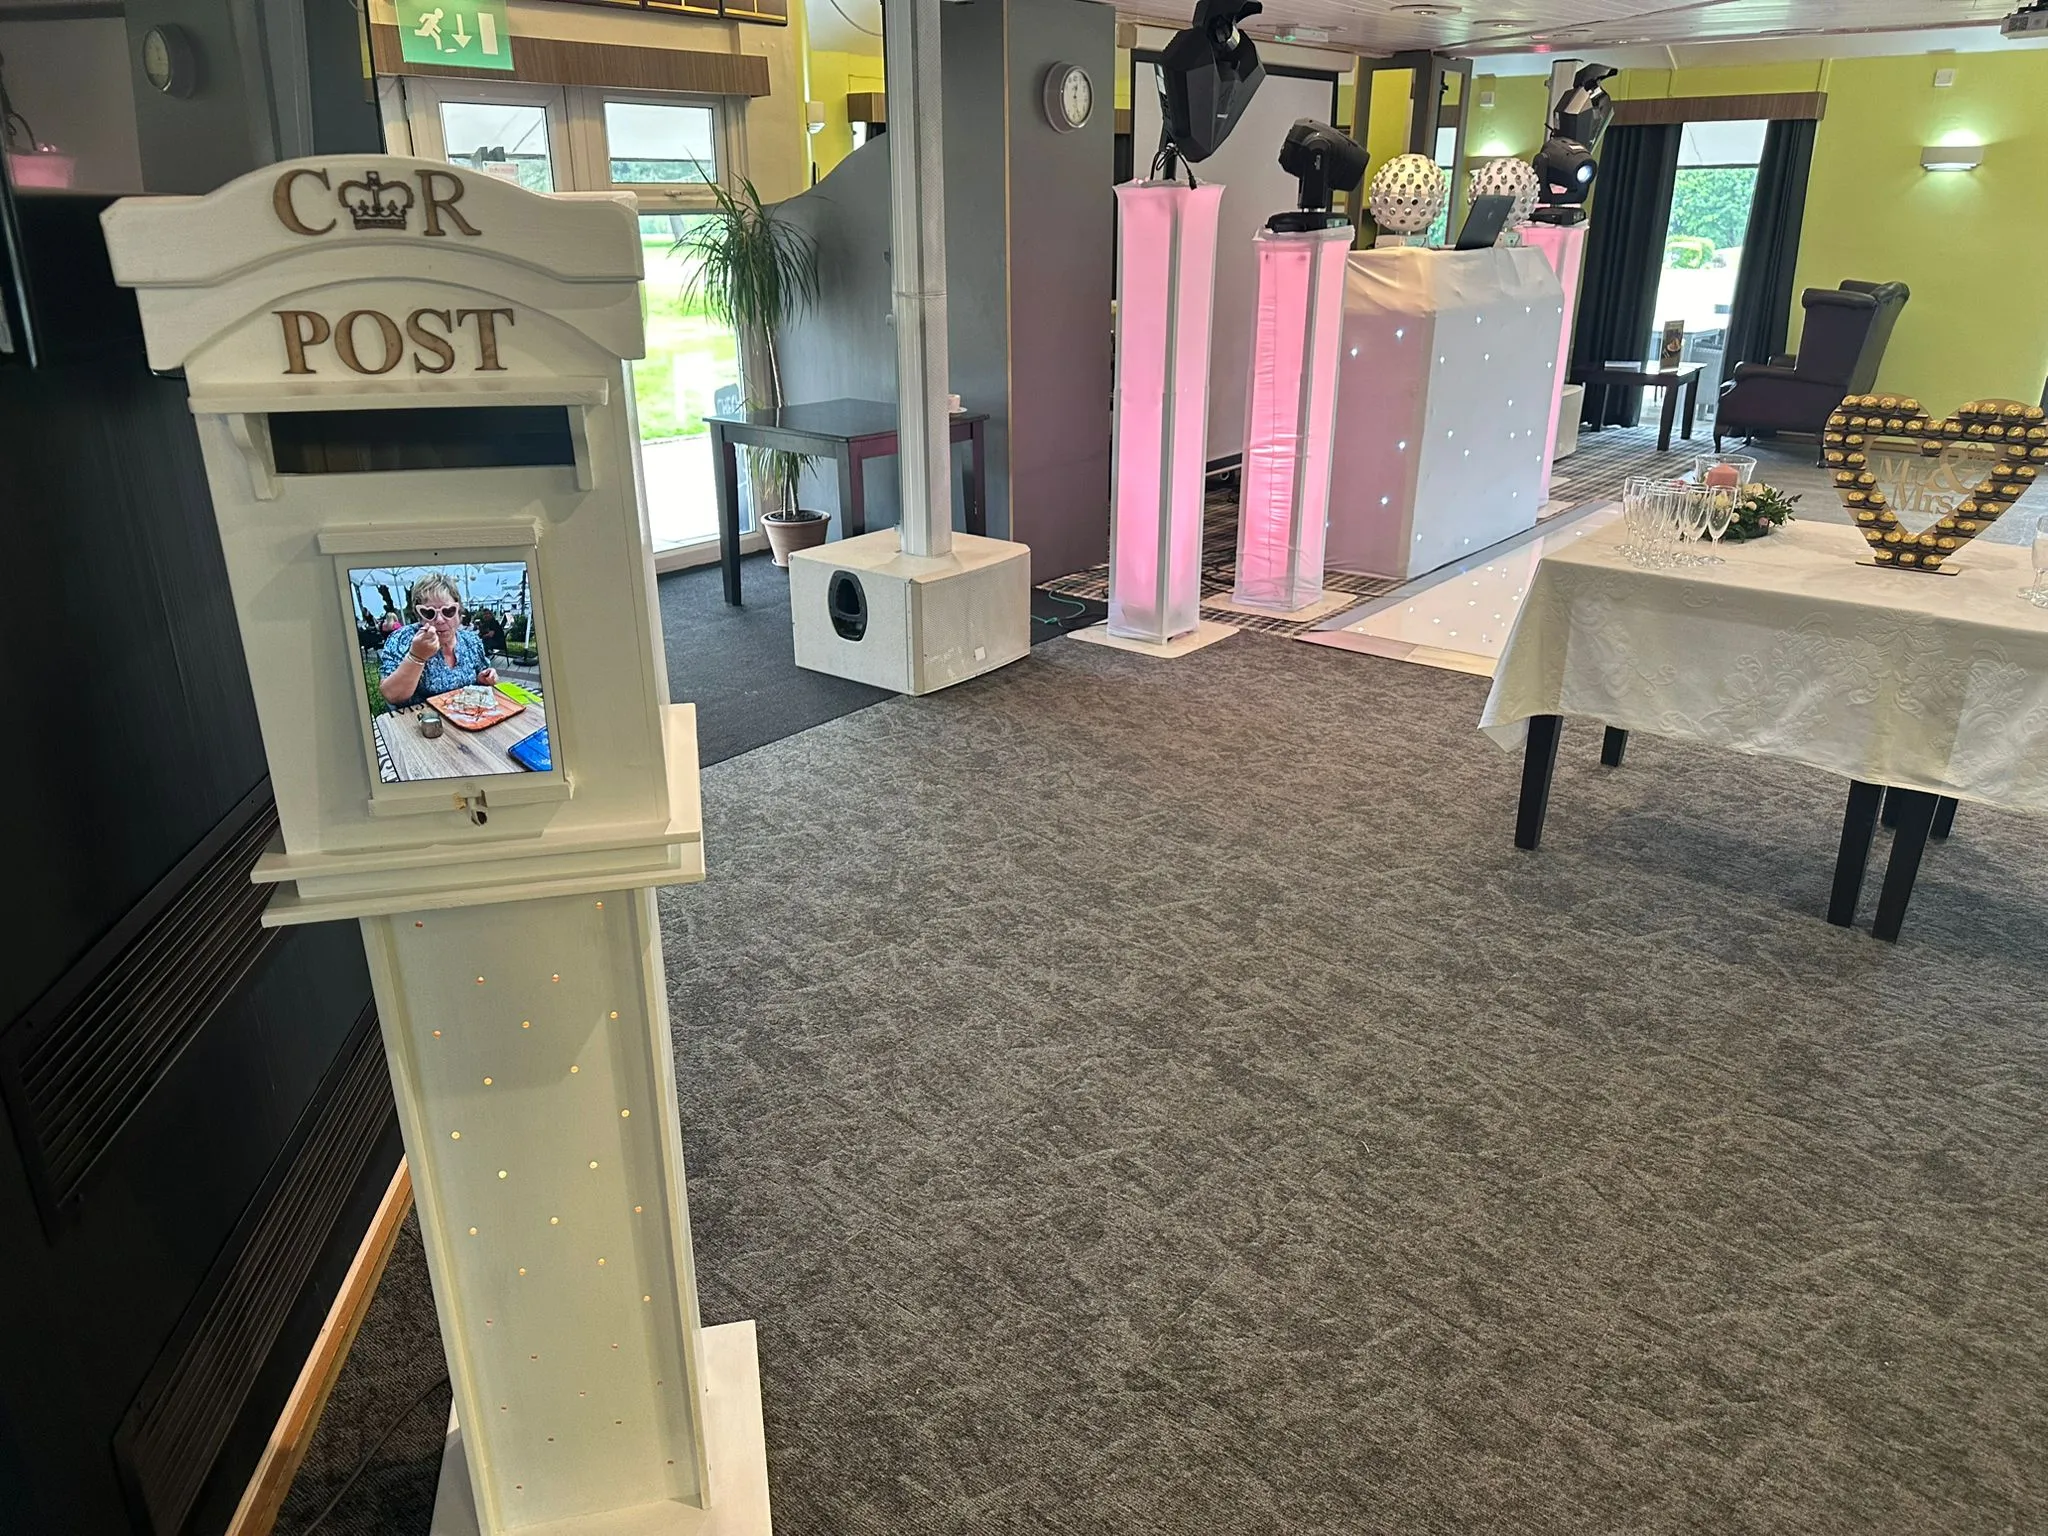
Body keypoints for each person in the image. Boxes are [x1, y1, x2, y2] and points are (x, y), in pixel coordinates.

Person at [378, 573, 498, 708]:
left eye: (448, 611)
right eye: (429, 613)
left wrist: (483, 678)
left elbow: (482, 673)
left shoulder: (471, 641)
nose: (440, 620)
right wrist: (416, 657)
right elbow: (392, 695)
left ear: (459, 613)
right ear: (419, 616)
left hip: (468, 716)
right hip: (423, 722)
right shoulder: (402, 639)